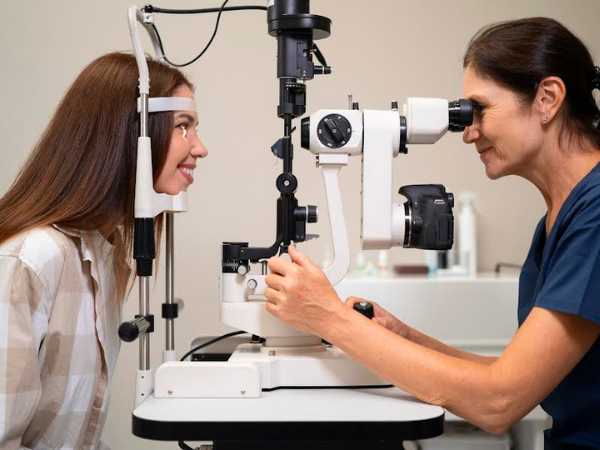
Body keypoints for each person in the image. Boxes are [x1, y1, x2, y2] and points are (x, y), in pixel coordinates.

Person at [264, 17, 600, 448]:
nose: (469, 133)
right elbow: (516, 376)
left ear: (547, 98)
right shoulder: (562, 215)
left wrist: (328, 316)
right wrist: (405, 338)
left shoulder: (593, 216)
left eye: (480, 110)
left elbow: (499, 402)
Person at [0, 52, 208, 449]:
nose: (200, 148)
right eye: (183, 127)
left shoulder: (104, 255)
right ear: (129, 133)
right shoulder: (31, 260)